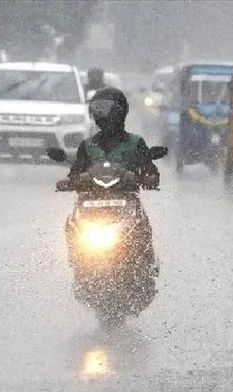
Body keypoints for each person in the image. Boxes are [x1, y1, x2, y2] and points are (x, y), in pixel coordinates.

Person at [56, 87, 161, 273]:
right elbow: (75, 172)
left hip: (125, 200)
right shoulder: (87, 146)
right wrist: (68, 182)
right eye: (97, 109)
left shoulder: (136, 143)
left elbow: (149, 169)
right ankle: (77, 262)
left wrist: (150, 178)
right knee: (71, 223)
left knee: (142, 224)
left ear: (119, 111)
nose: (100, 114)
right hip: (90, 202)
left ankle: (147, 263)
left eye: (104, 108)